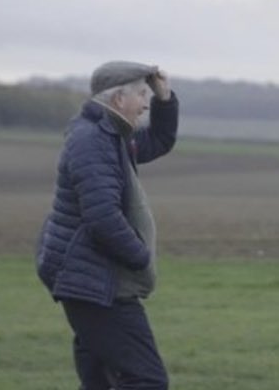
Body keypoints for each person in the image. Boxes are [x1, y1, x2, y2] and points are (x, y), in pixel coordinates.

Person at [36, 60, 179, 390]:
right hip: (95, 284)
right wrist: (140, 258)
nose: (146, 103)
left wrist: (165, 98)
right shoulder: (94, 141)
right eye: (142, 95)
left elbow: (159, 140)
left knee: (100, 380)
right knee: (147, 380)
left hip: (91, 279)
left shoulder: (111, 135)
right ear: (118, 100)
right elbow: (102, 218)